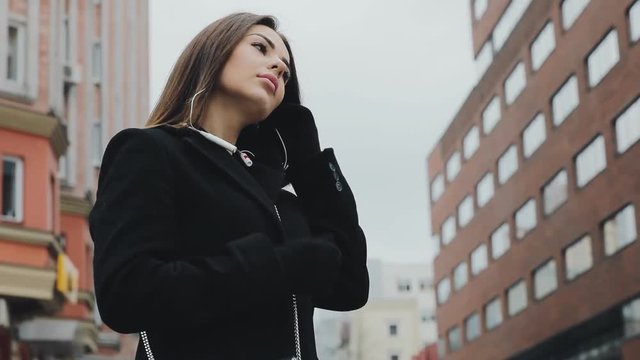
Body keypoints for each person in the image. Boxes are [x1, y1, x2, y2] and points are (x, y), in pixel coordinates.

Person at [88, 12, 369, 360]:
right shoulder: (150, 152)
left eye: (285, 68)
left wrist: (312, 167)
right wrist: (274, 267)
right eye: (261, 47)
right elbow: (125, 294)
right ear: (214, 52)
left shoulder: (281, 199)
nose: (279, 67)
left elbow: (350, 287)